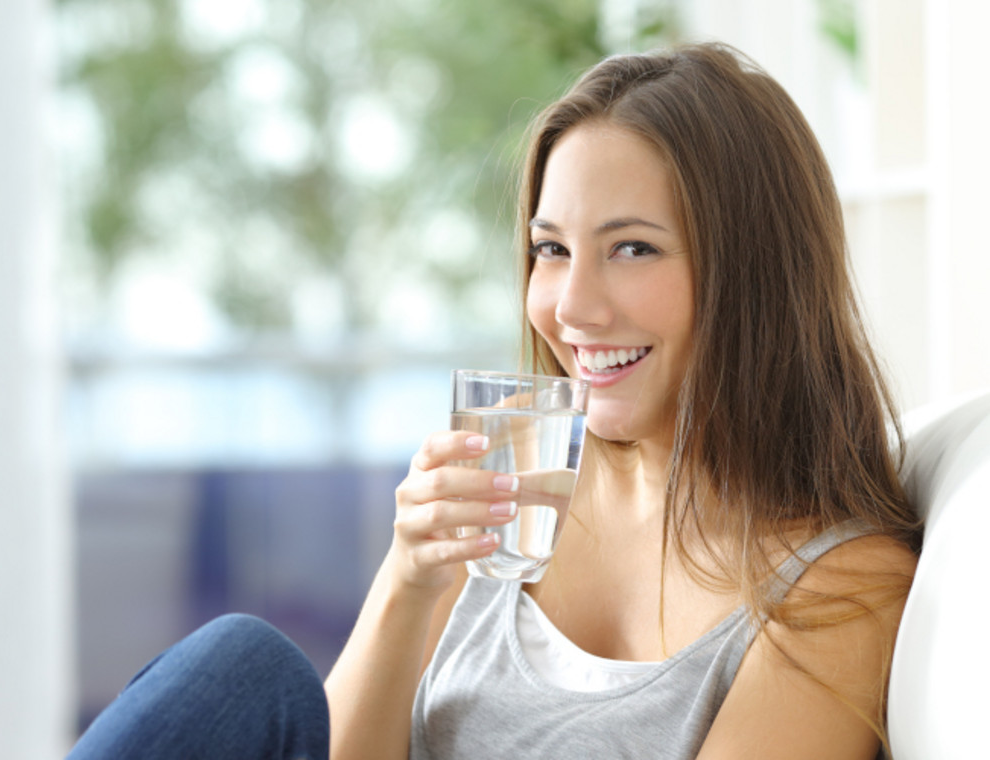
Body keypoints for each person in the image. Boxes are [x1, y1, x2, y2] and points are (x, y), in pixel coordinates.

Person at [67, 42, 920, 760]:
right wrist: (409, 580)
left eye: (632, 248)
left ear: (756, 277)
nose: (572, 306)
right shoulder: (522, 482)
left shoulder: (841, 587)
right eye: (551, 249)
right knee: (242, 667)